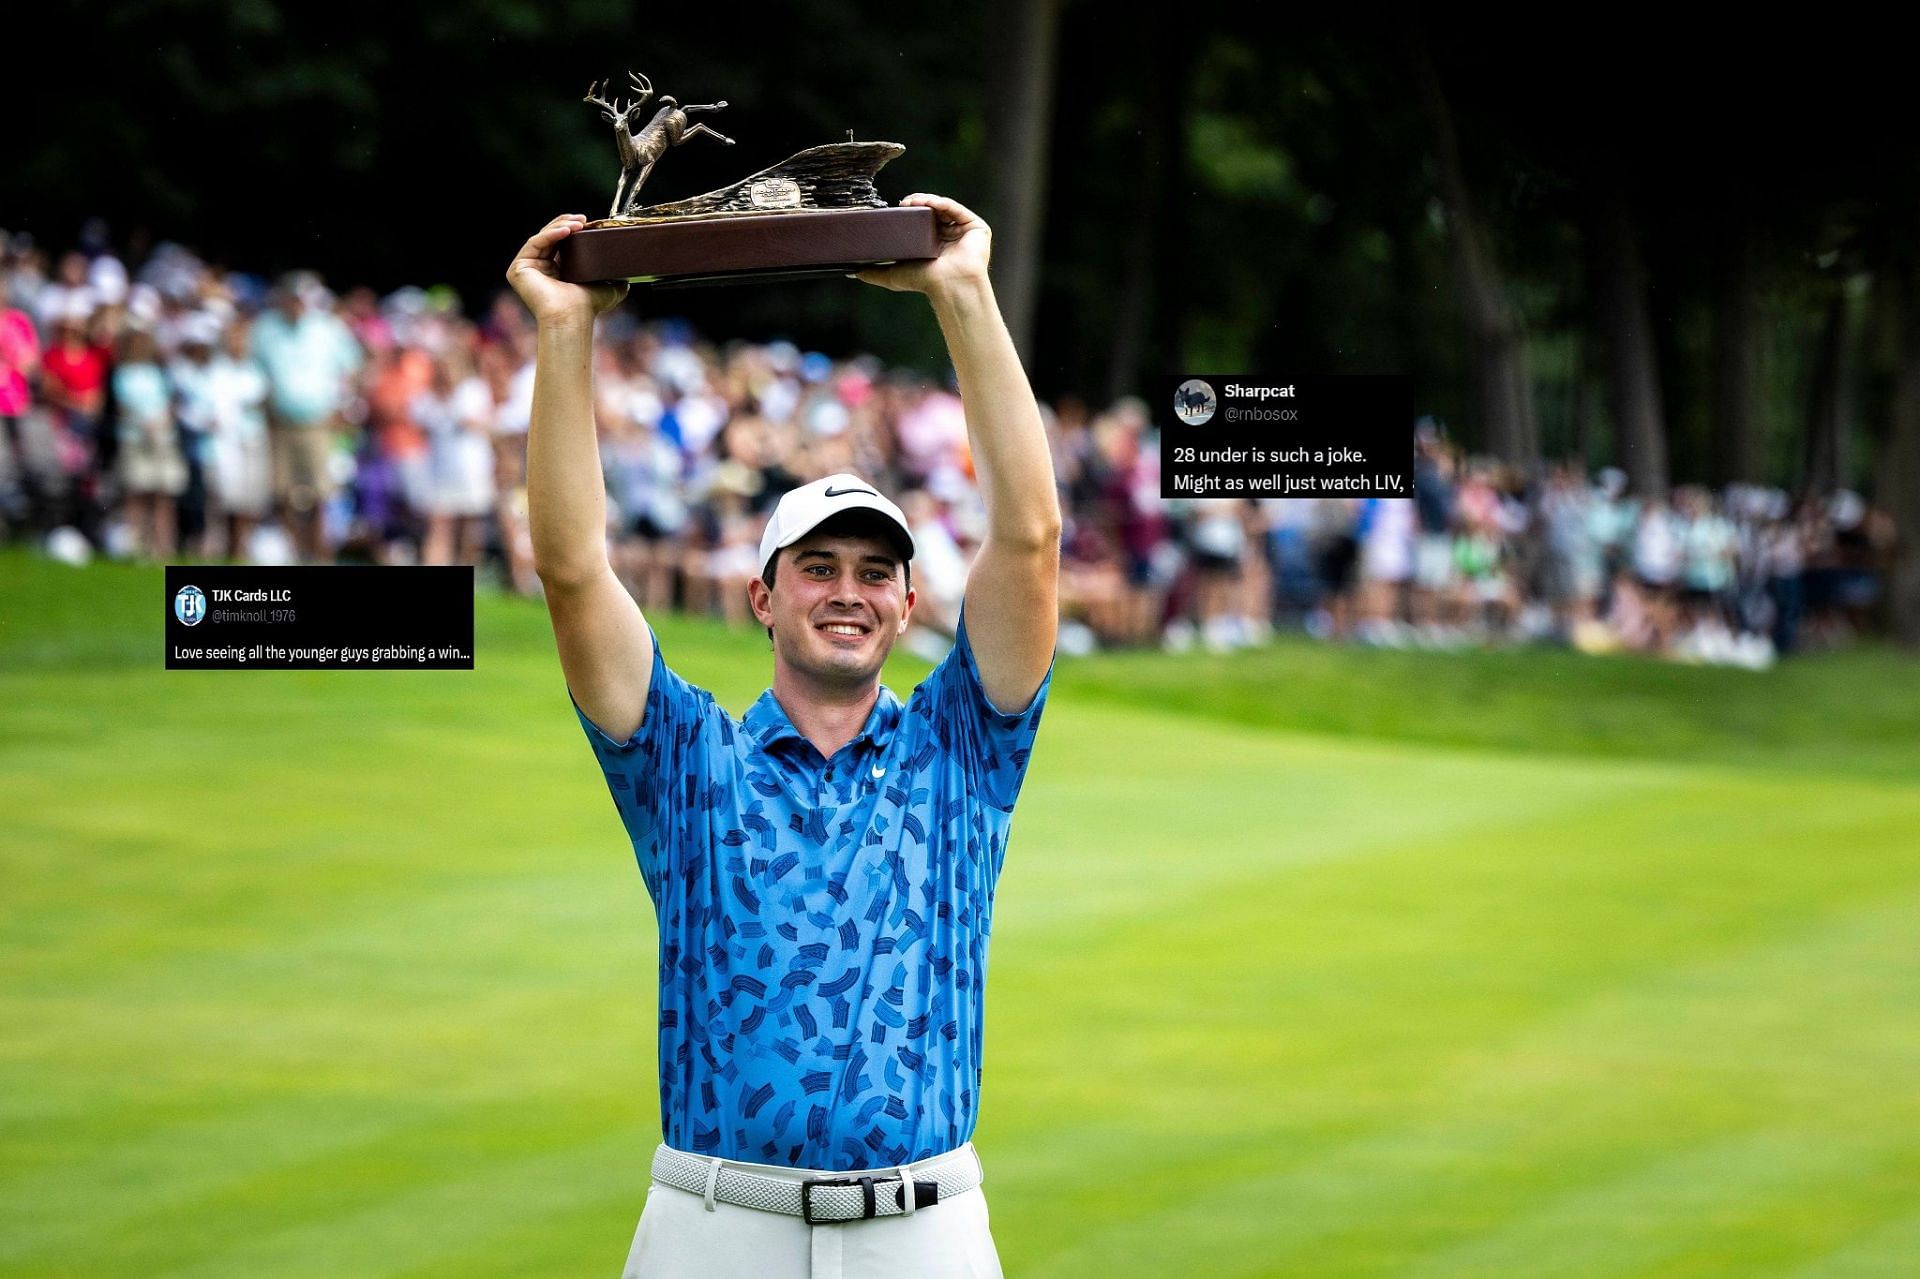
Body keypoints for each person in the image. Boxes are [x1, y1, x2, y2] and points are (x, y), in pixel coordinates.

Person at [506, 195, 1059, 1279]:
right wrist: (566, 330)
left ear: (907, 607)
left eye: (873, 573)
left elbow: (1031, 538)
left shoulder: (963, 750)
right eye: (817, 567)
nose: (846, 592)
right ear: (764, 597)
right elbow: (573, 568)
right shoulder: (688, 759)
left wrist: (964, 294)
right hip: (717, 1228)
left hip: (926, 1231)